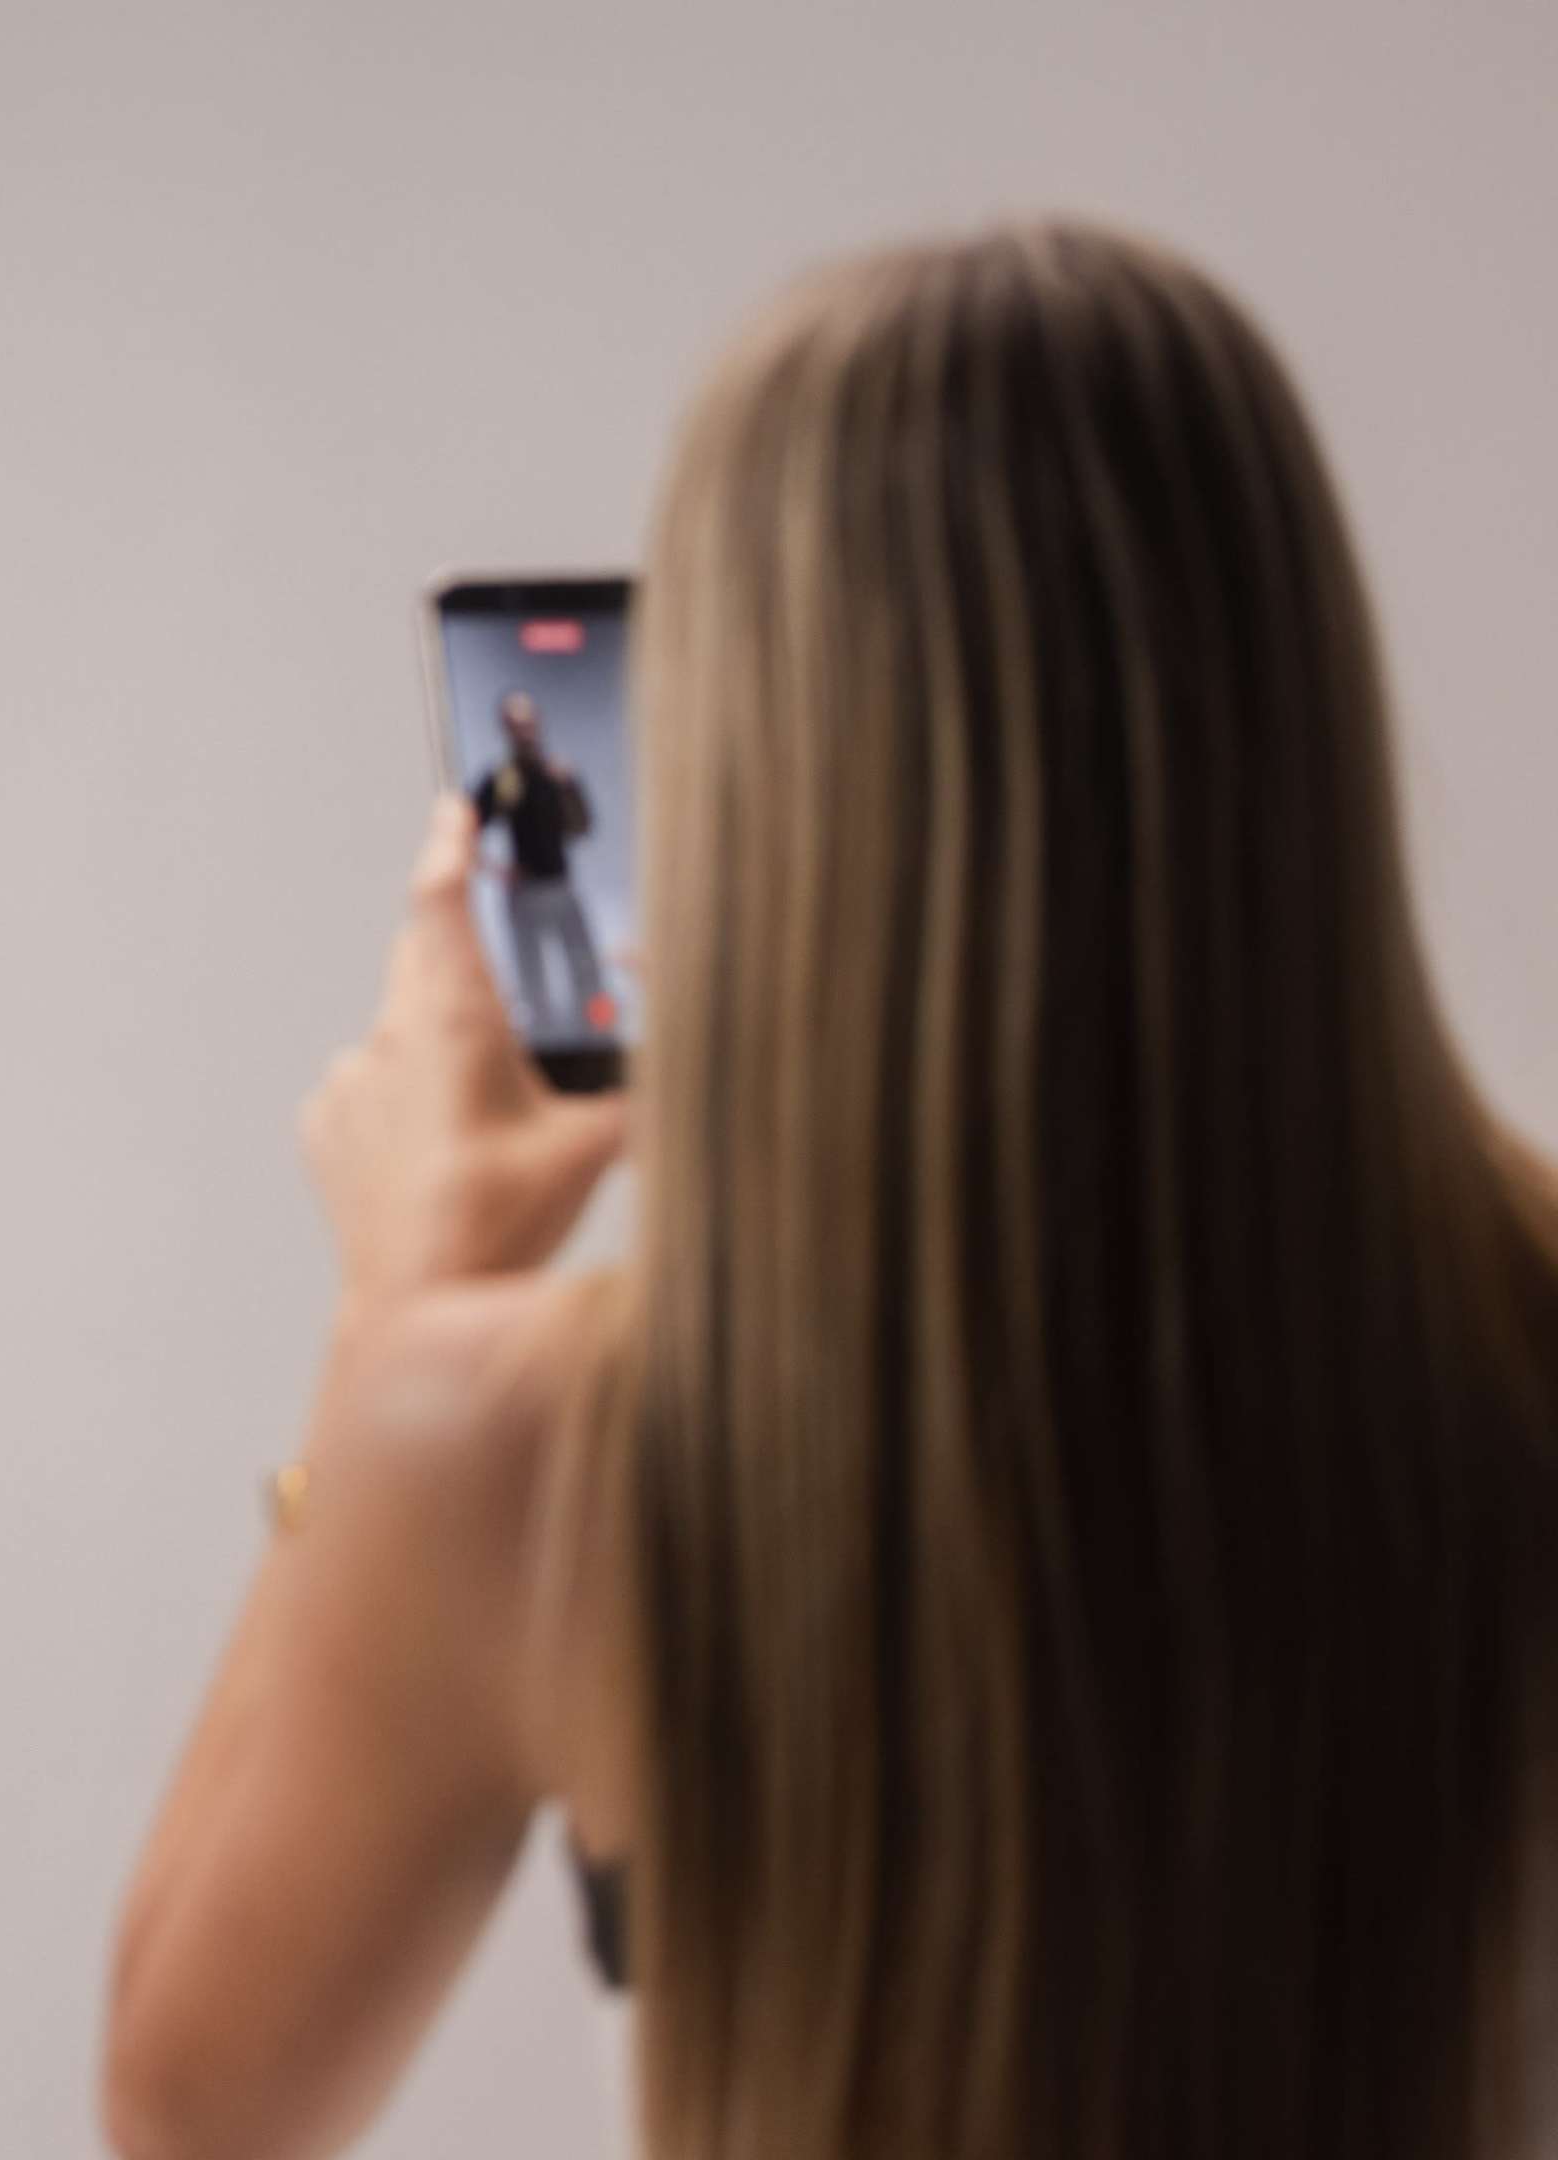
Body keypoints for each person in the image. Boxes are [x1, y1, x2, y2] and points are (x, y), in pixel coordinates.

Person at [102, 220, 1558, 2160]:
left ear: (752, 763)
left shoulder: (528, 1441)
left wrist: (396, 1310)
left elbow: (193, 2107)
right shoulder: (1519, 1320)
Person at [468, 689, 609, 1037]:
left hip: (561, 886)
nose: (524, 731)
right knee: (533, 978)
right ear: (506, 729)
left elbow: (583, 827)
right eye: (516, 725)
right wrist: (496, 869)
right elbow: (465, 827)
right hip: (525, 894)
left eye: (528, 722)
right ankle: (544, 1039)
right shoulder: (504, 779)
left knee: (586, 969)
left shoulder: (557, 773)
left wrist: (570, 789)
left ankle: (598, 1032)